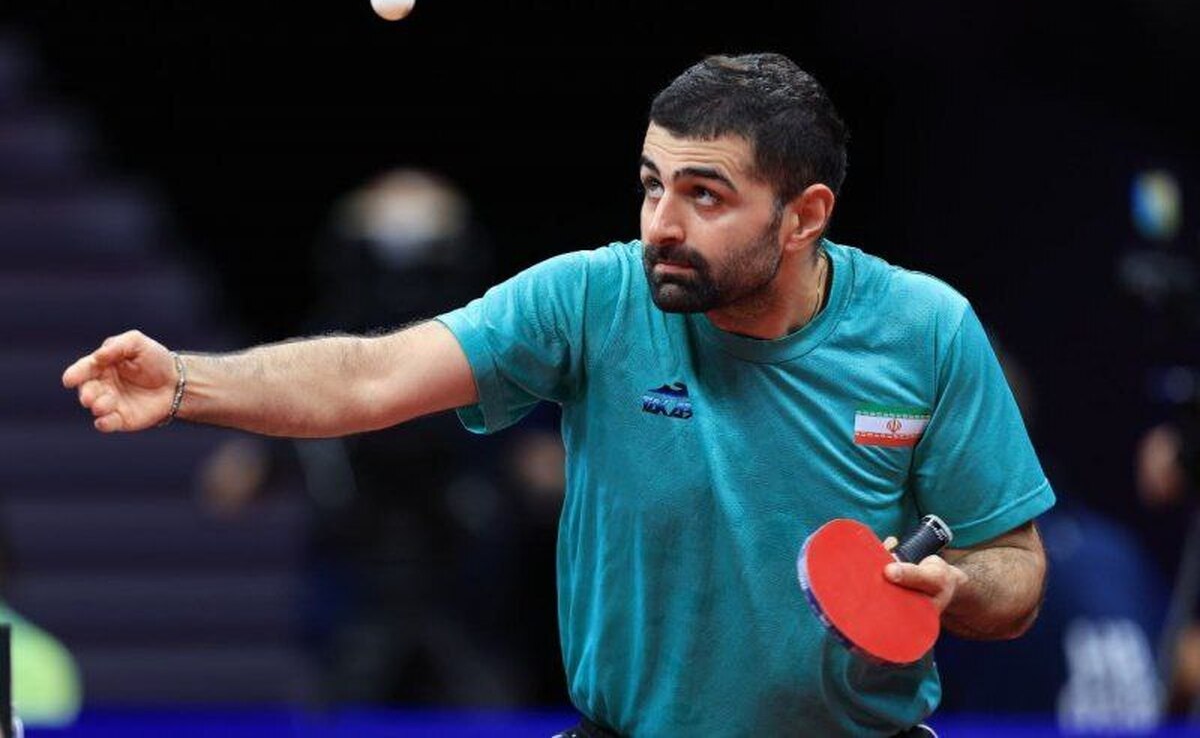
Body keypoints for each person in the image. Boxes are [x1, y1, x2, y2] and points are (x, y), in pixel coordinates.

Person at [62, 53, 1053, 737]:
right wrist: (187, 378)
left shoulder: (927, 330)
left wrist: (958, 588)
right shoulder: (590, 298)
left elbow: (1014, 568)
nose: (661, 223)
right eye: (652, 184)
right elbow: (375, 373)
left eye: (704, 195)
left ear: (804, 216)